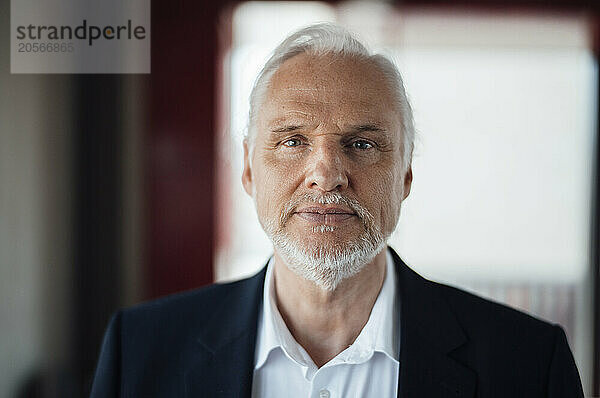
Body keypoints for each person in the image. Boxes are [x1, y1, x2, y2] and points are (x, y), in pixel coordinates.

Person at [90, 23, 584, 397]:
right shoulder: (139, 354)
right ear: (246, 168)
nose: (326, 175)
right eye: (292, 141)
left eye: (363, 145)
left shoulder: (528, 366)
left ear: (406, 174)